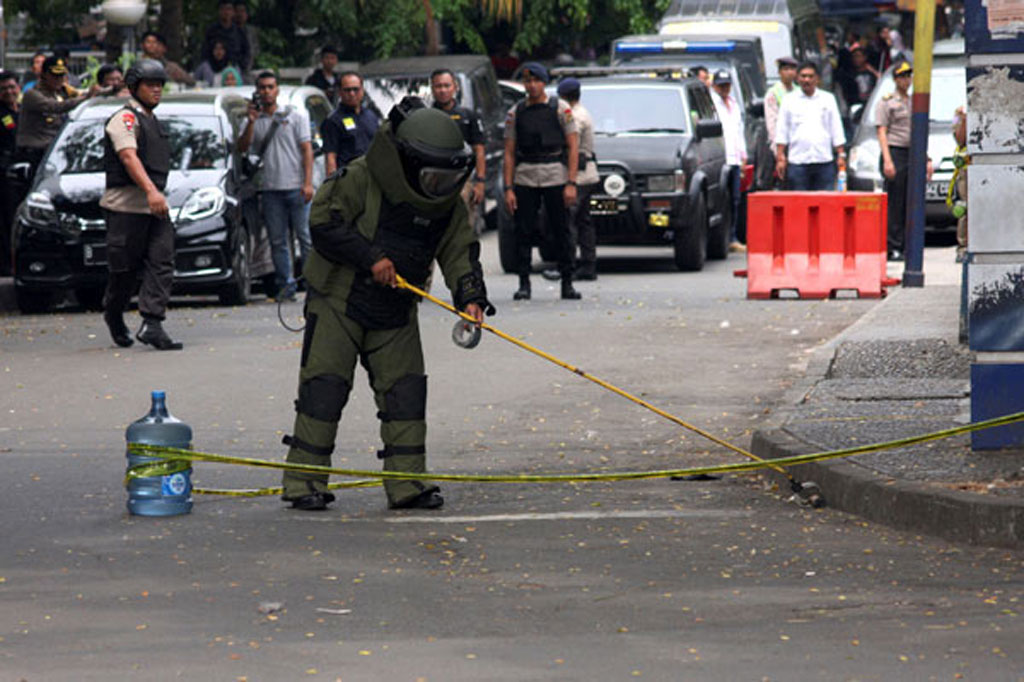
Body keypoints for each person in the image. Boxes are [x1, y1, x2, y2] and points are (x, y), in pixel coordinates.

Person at [279, 97, 493, 511]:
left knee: (405, 394)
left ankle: (407, 483)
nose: (441, 187)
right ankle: (303, 482)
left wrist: (470, 298)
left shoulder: (445, 205)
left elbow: (459, 252)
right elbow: (323, 223)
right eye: (433, 178)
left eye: (448, 179)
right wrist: (371, 258)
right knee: (324, 390)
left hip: (396, 307)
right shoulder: (359, 177)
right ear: (408, 164)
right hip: (339, 299)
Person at [100, 60, 183, 351]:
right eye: (150, 84)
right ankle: (113, 313)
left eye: (160, 84)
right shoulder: (125, 118)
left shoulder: (152, 120)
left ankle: (152, 323)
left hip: (154, 207)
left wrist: (155, 196)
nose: (156, 89)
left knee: (162, 261)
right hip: (126, 208)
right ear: (134, 87)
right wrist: (151, 191)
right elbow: (128, 156)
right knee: (124, 271)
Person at [503, 61, 580, 301]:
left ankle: (567, 281)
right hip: (526, 175)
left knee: (561, 230)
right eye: (528, 81)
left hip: (555, 173)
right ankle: (523, 282)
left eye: (536, 80)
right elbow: (509, 152)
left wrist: (571, 183)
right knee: (523, 231)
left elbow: (573, 146)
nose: (532, 85)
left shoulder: (560, 108)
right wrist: (508, 188)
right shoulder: (516, 112)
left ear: (544, 83)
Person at [238, 71, 315, 302]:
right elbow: (242, 147)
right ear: (257, 91)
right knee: (277, 241)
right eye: (262, 88)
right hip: (271, 189)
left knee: (305, 238)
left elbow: (307, 150)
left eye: (270, 87)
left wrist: (308, 183)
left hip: (297, 186)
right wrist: (251, 121)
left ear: (277, 90)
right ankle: (286, 286)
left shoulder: (295, 116)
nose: (266, 92)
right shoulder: (253, 119)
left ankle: (313, 285)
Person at [15, 55, 102, 181]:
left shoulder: (61, 93)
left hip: (53, 153)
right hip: (34, 154)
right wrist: (86, 97)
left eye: (62, 75)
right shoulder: (32, 94)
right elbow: (56, 107)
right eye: (55, 76)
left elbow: (83, 94)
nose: (59, 79)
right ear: (44, 75)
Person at [775, 61, 846, 191]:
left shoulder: (828, 99)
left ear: (817, 79)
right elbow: (782, 130)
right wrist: (780, 158)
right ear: (797, 78)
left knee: (824, 201)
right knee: (799, 201)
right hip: (798, 162)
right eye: (803, 76)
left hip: (823, 161)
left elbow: (836, 128)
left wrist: (841, 155)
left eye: (810, 76)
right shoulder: (789, 100)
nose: (806, 80)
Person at [429, 68, 486, 229]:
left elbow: (479, 150)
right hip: (432, 179)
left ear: (455, 87)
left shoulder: (468, 116)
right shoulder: (426, 116)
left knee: (463, 224)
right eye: (438, 86)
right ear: (432, 88)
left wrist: (480, 182)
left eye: (447, 85)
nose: (443, 90)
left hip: (462, 178)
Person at [555, 77, 599, 280]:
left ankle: (568, 266)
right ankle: (588, 265)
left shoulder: (575, 116)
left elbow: (571, 143)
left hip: (579, 175)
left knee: (568, 221)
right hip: (586, 174)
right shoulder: (581, 112)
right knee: (584, 221)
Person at [876, 61, 912, 261]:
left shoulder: (913, 101)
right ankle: (893, 245)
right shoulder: (887, 102)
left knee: (910, 200)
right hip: (895, 152)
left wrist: (926, 158)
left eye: (908, 76)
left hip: (912, 153)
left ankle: (907, 244)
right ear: (895, 79)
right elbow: (882, 131)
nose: (906, 80)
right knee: (895, 202)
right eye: (902, 76)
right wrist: (887, 160)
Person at [709, 69, 748, 252]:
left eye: (726, 85)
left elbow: (738, 132)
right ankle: (720, 238)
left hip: (734, 158)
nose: (724, 89)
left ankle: (732, 237)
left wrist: (743, 156)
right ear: (714, 86)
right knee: (720, 199)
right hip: (720, 159)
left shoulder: (733, 104)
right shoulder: (711, 105)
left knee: (735, 199)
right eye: (721, 85)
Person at [321, 72, 380, 176]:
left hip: (372, 175)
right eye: (347, 90)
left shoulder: (371, 116)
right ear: (340, 92)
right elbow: (330, 156)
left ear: (362, 90)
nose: (352, 94)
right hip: (349, 178)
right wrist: (333, 181)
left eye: (355, 89)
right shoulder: (333, 121)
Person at [0, 71, 19, 275]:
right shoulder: (2, 113)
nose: (8, 92)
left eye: (12, 87)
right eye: (4, 89)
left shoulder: (21, 111)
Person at [202, 0, 249, 73]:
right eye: (223, 9)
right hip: (214, 69)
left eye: (229, 9)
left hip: (235, 69)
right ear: (219, 11)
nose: (226, 12)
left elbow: (246, 51)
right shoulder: (211, 31)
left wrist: (242, 65)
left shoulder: (239, 32)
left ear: (233, 12)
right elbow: (205, 52)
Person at [765, 56, 797, 154]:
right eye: (786, 69)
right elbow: (772, 122)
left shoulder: (799, 91)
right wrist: (777, 149)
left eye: (792, 69)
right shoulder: (773, 93)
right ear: (779, 72)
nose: (789, 72)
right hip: (783, 143)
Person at [234, 2, 259, 76]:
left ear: (247, 14)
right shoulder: (230, 31)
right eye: (237, 11)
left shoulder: (252, 31)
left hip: (251, 67)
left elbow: (256, 49)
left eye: (242, 11)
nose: (240, 14)